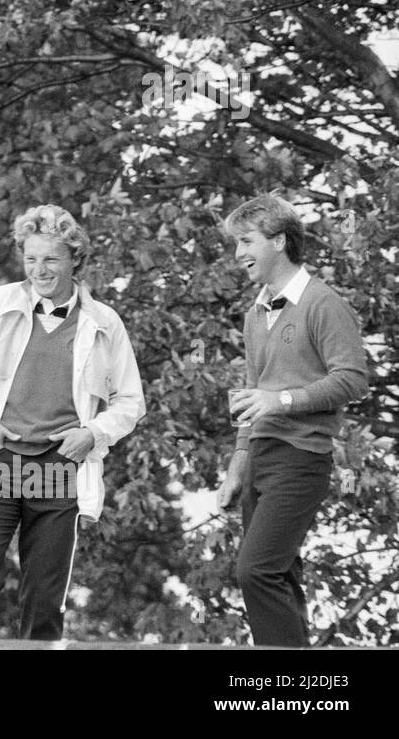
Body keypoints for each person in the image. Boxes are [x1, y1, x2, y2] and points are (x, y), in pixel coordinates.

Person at [0, 204, 145, 640]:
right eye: (31, 259)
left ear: (75, 259)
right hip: (0, 461)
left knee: (44, 596)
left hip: (59, 469)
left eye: (51, 259)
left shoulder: (104, 322)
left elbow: (130, 401)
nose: (39, 270)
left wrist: (94, 433)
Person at [216, 195, 369, 647]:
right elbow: (252, 397)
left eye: (246, 242)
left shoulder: (323, 303)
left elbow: (354, 378)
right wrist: (237, 467)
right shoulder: (254, 312)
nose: (238, 254)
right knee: (279, 576)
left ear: (279, 240)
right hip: (261, 458)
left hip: (302, 459)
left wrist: (281, 399)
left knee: (256, 570)